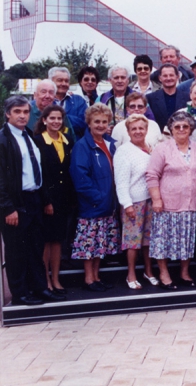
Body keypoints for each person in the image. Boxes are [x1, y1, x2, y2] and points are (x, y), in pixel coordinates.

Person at [0, 96, 63, 306]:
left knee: (36, 248)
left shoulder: (28, 136)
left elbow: (38, 171)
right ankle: (20, 293)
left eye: (26, 112)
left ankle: (39, 288)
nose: (22, 116)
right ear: (8, 113)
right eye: (17, 111)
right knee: (17, 250)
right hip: (16, 203)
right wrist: (8, 208)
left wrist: (45, 200)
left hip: (34, 200)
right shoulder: (3, 140)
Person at [146, 110, 196, 289]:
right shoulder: (162, 149)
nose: (181, 129)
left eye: (185, 126)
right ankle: (164, 274)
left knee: (186, 240)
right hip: (167, 204)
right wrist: (156, 199)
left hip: (190, 203)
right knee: (163, 240)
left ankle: (184, 273)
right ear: (171, 129)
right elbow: (152, 175)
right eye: (177, 126)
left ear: (191, 129)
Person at [70, 103, 120, 292]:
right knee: (89, 245)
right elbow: (80, 178)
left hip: (108, 205)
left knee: (101, 245)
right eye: (96, 121)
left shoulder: (110, 144)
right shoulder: (83, 146)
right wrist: (98, 198)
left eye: (104, 122)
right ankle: (89, 279)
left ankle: (97, 277)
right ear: (89, 123)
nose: (100, 125)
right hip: (93, 205)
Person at [32, 104, 77, 295]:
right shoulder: (37, 142)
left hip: (63, 199)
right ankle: (46, 280)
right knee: (46, 242)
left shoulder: (66, 140)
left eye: (59, 118)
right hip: (46, 200)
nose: (56, 122)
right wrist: (46, 201)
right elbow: (38, 174)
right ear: (44, 120)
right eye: (52, 118)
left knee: (58, 240)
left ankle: (57, 279)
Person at [114, 114, 158, 289]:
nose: (138, 131)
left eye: (141, 128)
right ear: (128, 131)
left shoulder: (151, 148)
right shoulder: (124, 151)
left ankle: (149, 271)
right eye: (134, 129)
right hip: (134, 203)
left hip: (151, 201)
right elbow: (121, 181)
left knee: (149, 240)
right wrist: (127, 205)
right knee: (133, 241)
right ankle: (131, 274)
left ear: (146, 130)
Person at [50, 66, 88, 137]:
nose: (64, 84)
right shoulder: (46, 101)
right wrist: (72, 119)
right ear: (51, 81)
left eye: (66, 81)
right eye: (60, 80)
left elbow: (84, 124)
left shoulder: (79, 101)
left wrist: (59, 117)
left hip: (74, 145)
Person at [147, 64, 181, 131]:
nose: (168, 78)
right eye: (165, 76)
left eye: (171, 75)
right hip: (159, 137)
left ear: (177, 77)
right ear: (160, 78)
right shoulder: (150, 98)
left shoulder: (187, 97)